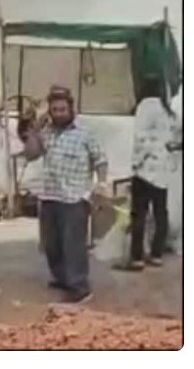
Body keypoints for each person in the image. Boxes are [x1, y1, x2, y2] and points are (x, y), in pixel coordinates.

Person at [21, 88, 107, 304]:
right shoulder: (46, 132)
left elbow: (100, 160)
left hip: (75, 199)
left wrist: (101, 184)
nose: (59, 113)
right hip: (50, 197)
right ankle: (62, 278)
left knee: (73, 245)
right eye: (54, 110)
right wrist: (34, 131)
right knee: (52, 245)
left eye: (62, 109)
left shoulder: (84, 134)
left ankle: (79, 287)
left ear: (71, 110)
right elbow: (31, 155)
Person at [127, 78, 180, 269]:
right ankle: (156, 253)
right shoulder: (168, 110)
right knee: (160, 213)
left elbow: (141, 139)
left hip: (145, 169)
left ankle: (137, 257)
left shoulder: (145, 106)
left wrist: (135, 163)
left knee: (139, 214)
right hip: (163, 170)